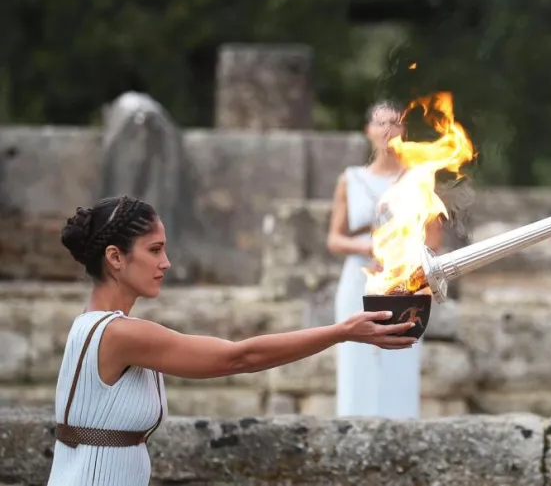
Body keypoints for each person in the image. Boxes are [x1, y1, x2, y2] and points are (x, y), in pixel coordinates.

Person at [48, 195, 416, 486]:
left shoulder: (93, 325)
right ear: (115, 257)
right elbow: (238, 358)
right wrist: (342, 332)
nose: (167, 263)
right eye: (154, 250)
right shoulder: (121, 334)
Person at [327, 100, 441, 419]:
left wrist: (404, 258)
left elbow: (433, 237)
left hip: (404, 277)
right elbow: (334, 238)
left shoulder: (419, 177)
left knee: (401, 351)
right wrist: (368, 249)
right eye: (381, 123)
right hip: (359, 275)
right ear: (368, 131)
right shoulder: (351, 179)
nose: (388, 130)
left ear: (404, 130)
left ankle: (402, 427)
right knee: (354, 353)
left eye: (395, 123)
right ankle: (353, 426)